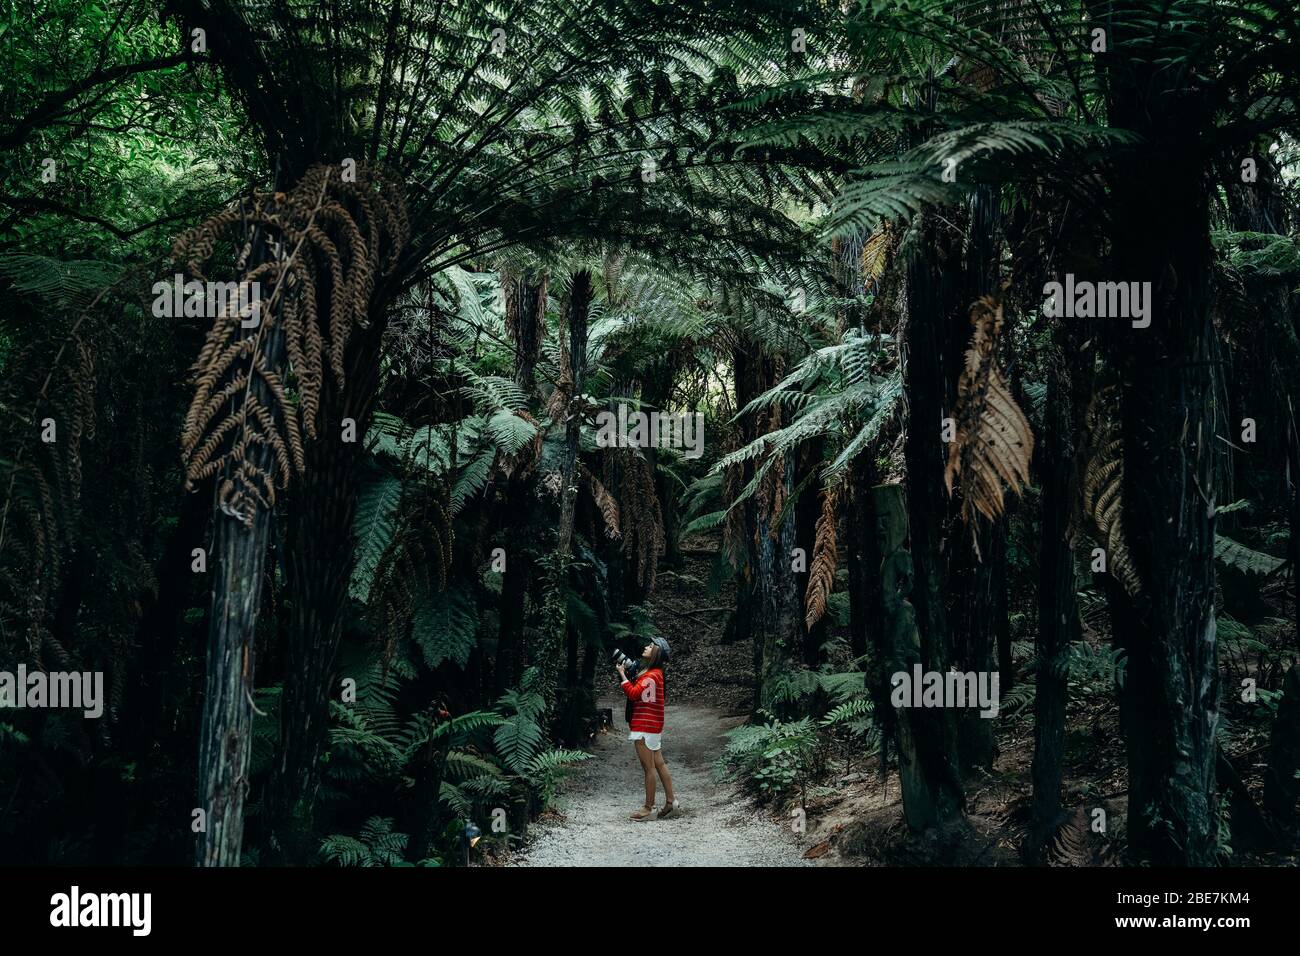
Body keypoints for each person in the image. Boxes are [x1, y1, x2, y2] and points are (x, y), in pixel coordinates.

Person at [616, 635, 677, 821]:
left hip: (644, 725)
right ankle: (671, 802)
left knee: (648, 768)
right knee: (659, 763)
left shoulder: (651, 675)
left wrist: (622, 674)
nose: (646, 647)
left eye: (650, 646)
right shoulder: (656, 674)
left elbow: (634, 694)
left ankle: (648, 809)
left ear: (656, 652)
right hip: (653, 725)